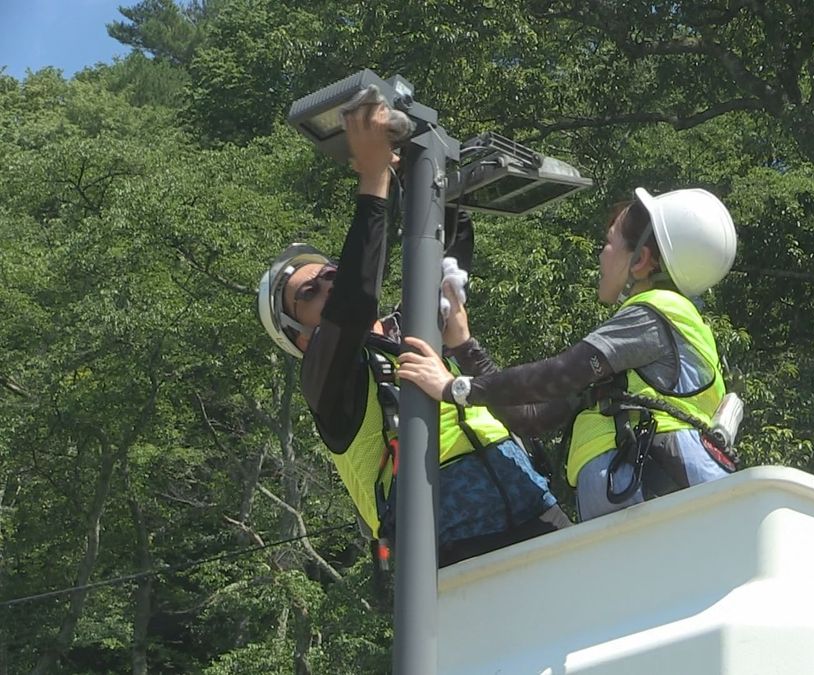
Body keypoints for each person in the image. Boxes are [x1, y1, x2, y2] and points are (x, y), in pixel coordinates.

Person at [256, 98, 568, 567]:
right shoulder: (326, 380)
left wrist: (419, 169)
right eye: (309, 293)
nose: (327, 280)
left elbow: (449, 246)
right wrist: (373, 178)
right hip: (449, 551)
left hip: (534, 505)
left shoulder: (412, 327)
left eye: (329, 271)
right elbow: (355, 303)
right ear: (299, 335)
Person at [395, 186, 741, 520]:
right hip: (649, 491)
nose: (601, 254)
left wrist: (454, 388)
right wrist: (465, 345)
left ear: (642, 261)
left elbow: (560, 374)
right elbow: (532, 415)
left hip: (651, 488)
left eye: (609, 242)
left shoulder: (654, 312)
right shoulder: (646, 345)